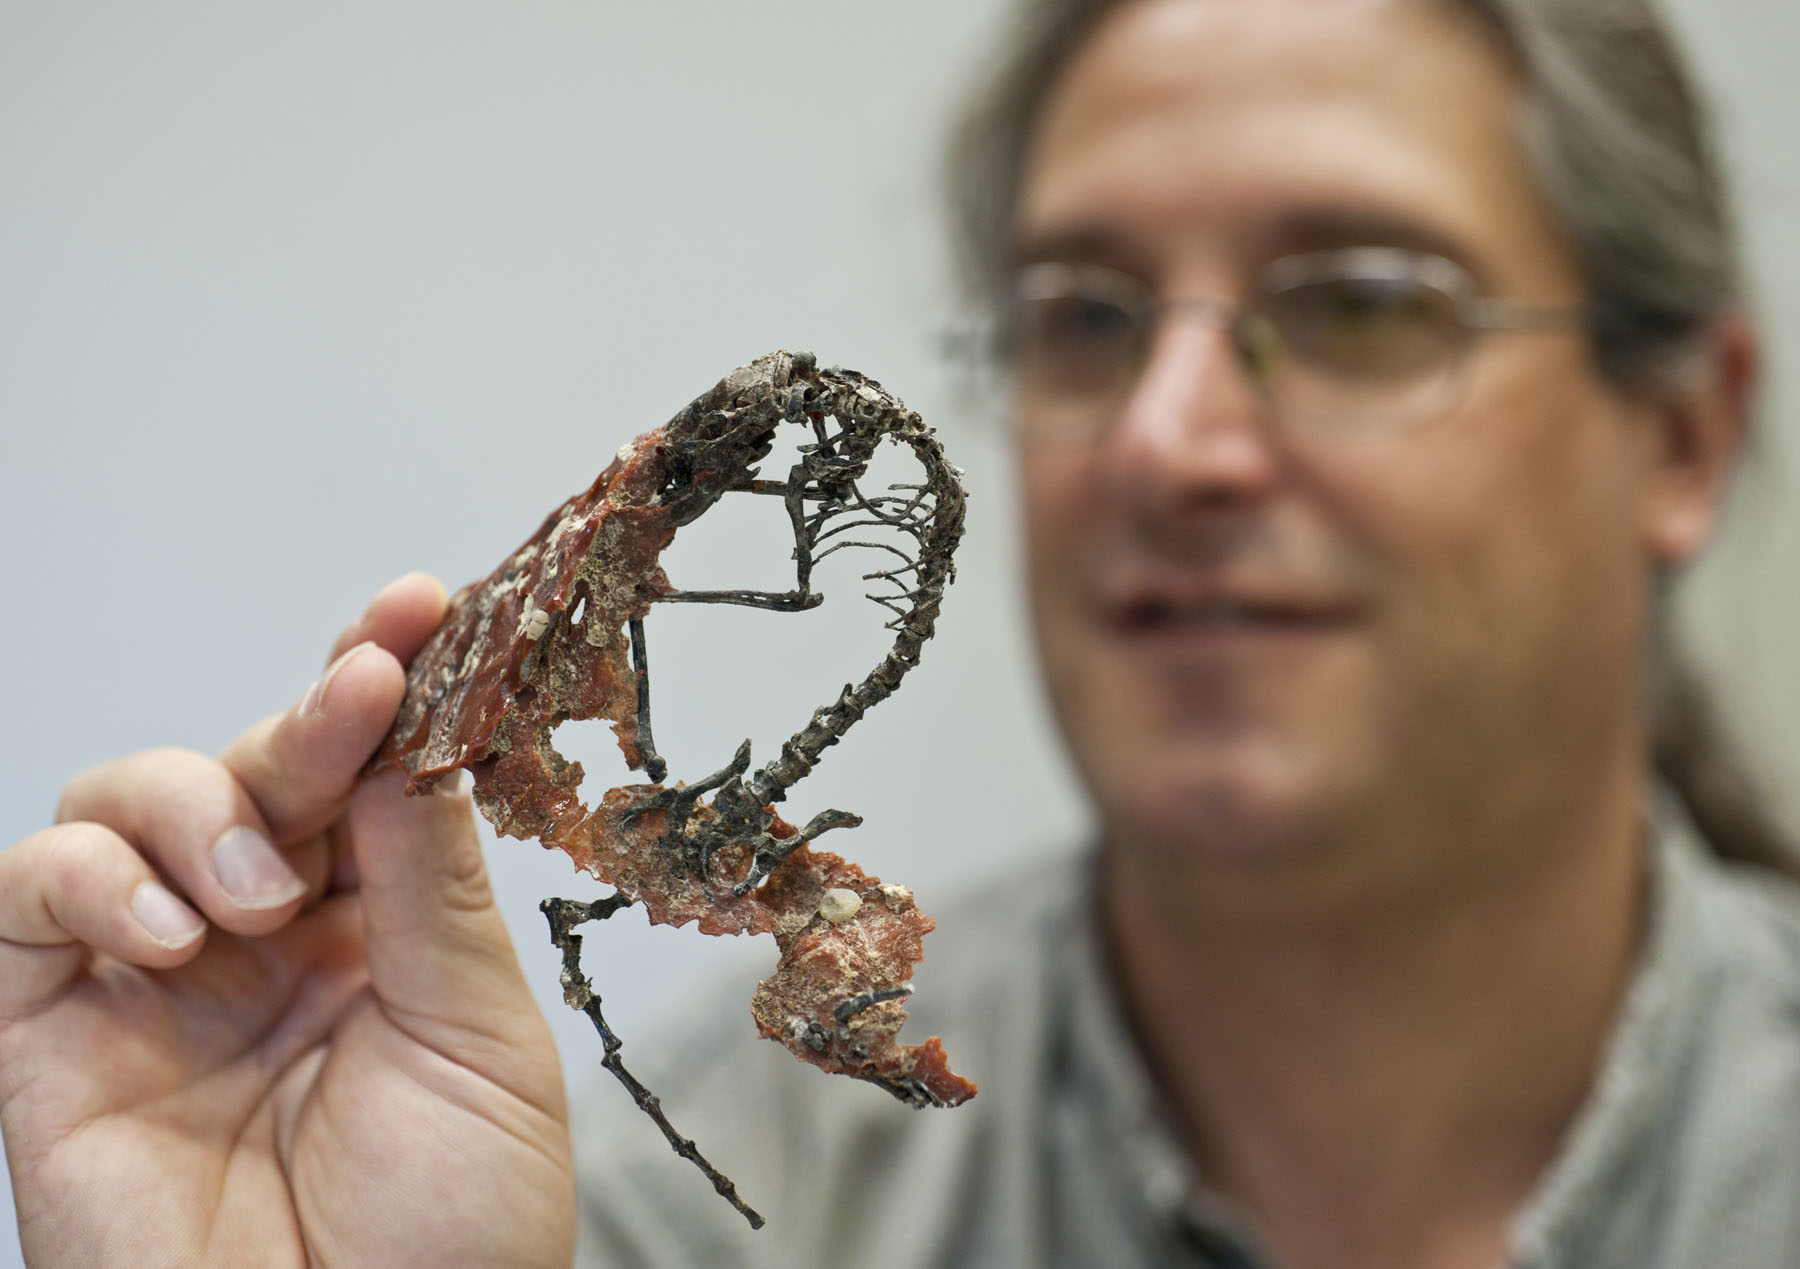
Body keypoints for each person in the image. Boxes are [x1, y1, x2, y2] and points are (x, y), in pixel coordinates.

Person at [3, 0, 1795, 1266]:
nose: (1168, 436)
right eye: (1085, 317)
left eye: (1357, 305)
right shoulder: (670, 1202)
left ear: (1684, 436)